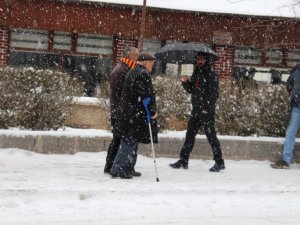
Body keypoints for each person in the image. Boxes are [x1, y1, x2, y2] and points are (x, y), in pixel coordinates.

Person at [169, 53, 225, 172]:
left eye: (202, 59)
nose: (200, 61)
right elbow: (191, 90)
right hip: (196, 110)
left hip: (206, 112)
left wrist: (206, 107)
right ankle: (184, 160)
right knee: (189, 136)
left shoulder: (211, 74)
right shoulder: (197, 72)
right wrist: (185, 82)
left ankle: (219, 162)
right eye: (198, 59)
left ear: (207, 60)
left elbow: (214, 94)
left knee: (211, 137)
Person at [110, 53, 158, 179]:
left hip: (129, 113)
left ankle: (128, 168)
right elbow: (145, 96)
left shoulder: (133, 71)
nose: (152, 66)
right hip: (133, 115)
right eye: (151, 63)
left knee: (132, 141)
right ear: (145, 63)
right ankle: (118, 169)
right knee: (129, 142)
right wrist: (152, 111)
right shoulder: (143, 74)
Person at [104, 46, 139, 174]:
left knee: (121, 140)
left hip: (122, 112)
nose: (137, 58)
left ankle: (124, 166)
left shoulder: (128, 69)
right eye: (136, 55)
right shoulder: (120, 71)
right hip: (119, 112)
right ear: (128, 55)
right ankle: (111, 166)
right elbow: (120, 95)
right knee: (118, 139)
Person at [271, 64, 300, 169]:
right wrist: (291, 91)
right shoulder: (296, 71)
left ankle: (285, 160)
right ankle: (285, 161)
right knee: (290, 133)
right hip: (297, 107)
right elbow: (289, 84)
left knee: (290, 133)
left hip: (297, 106)